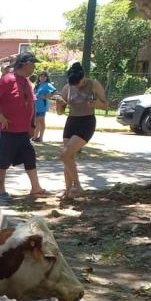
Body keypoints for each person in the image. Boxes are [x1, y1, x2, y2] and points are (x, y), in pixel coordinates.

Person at [0, 52, 48, 199]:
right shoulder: (8, 79)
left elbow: (31, 104)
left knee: (29, 156)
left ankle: (35, 187)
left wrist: (31, 125)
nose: (34, 67)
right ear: (25, 64)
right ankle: (1, 190)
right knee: (3, 160)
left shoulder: (27, 82)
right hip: (5, 129)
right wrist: (0, 116)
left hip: (22, 130)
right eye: (33, 64)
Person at [53, 62, 108, 200]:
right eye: (74, 84)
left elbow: (106, 105)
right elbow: (60, 112)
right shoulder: (68, 87)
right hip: (71, 122)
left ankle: (77, 186)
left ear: (83, 76)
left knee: (64, 154)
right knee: (68, 157)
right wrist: (59, 104)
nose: (77, 85)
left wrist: (96, 103)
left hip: (86, 122)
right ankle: (68, 191)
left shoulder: (93, 84)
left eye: (79, 82)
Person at [32, 71, 56, 142]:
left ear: (46, 77)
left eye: (44, 76)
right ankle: (35, 137)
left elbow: (55, 91)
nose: (42, 78)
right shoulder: (38, 85)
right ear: (39, 77)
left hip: (42, 106)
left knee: (41, 122)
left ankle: (41, 137)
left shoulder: (47, 84)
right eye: (41, 76)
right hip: (36, 106)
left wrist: (46, 96)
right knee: (37, 122)